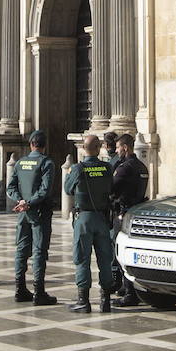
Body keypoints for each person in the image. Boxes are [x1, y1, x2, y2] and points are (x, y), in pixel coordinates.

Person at [63, 134, 117, 313]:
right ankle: (106, 300)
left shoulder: (78, 169)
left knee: (82, 259)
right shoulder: (107, 168)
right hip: (102, 218)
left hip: (84, 219)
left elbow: (67, 189)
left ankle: (83, 300)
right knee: (105, 259)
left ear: (84, 149)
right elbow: (111, 188)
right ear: (99, 148)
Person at [6, 130, 57, 306]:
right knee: (39, 251)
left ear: (31, 145)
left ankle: (19, 288)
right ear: (44, 145)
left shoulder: (21, 162)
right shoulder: (47, 163)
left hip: (23, 213)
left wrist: (20, 201)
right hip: (39, 212)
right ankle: (39, 291)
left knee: (21, 249)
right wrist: (29, 202)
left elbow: (10, 187)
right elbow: (45, 189)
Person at [110, 133, 149, 307]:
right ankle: (130, 289)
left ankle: (129, 292)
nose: (117, 150)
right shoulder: (142, 166)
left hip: (123, 214)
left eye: (118, 147)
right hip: (136, 213)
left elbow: (112, 189)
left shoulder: (124, 168)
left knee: (121, 254)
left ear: (125, 147)